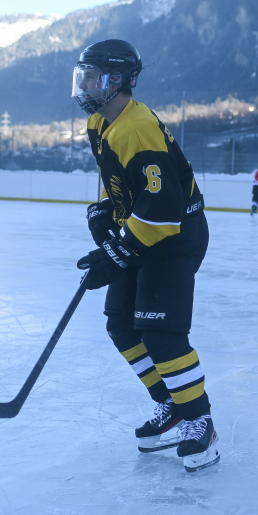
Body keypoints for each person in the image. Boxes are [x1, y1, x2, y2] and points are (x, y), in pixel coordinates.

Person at [72, 39, 218, 472]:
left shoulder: (136, 127)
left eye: (91, 77)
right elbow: (119, 178)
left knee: (161, 333)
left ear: (116, 81)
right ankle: (170, 405)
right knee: (120, 324)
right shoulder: (101, 122)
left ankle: (200, 421)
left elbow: (164, 211)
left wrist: (117, 251)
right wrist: (106, 208)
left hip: (174, 238)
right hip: (143, 229)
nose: (83, 86)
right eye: (81, 76)